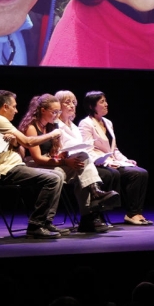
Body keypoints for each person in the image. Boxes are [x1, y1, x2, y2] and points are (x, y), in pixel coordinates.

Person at [18, 94, 118, 233]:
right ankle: (49, 220)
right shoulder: (32, 127)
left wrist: (62, 155)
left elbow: (53, 153)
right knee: (63, 174)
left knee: (82, 164)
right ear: (43, 110)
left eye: (58, 112)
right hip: (36, 165)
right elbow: (37, 159)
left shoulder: (51, 126)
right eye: (54, 112)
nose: (56, 115)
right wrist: (64, 161)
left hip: (50, 162)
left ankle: (88, 213)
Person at [0, 90, 67, 239]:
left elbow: (20, 152)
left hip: (13, 167)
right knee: (53, 178)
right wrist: (52, 134)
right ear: (5, 107)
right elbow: (28, 142)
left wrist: (15, 143)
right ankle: (36, 225)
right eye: (14, 106)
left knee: (59, 174)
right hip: (4, 171)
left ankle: (46, 222)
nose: (16, 110)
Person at [78, 91, 153, 225]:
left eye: (105, 101)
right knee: (117, 174)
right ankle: (100, 212)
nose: (106, 104)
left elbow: (114, 149)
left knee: (141, 173)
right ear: (91, 106)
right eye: (102, 102)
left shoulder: (108, 122)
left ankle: (133, 213)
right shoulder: (86, 124)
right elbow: (88, 149)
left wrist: (125, 160)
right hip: (99, 163)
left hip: (113, 161)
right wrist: (106, 162)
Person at [54, 89, 118, 230]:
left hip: (78, 162)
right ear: (58, 105)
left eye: (73, 102)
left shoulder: (74, 127)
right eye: (67, 102)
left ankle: (90, 215)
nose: (72, 105)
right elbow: (55, 149)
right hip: (62, 162)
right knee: (85, 168)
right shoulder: (54, 125)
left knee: (83, 166)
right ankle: (91, 210)